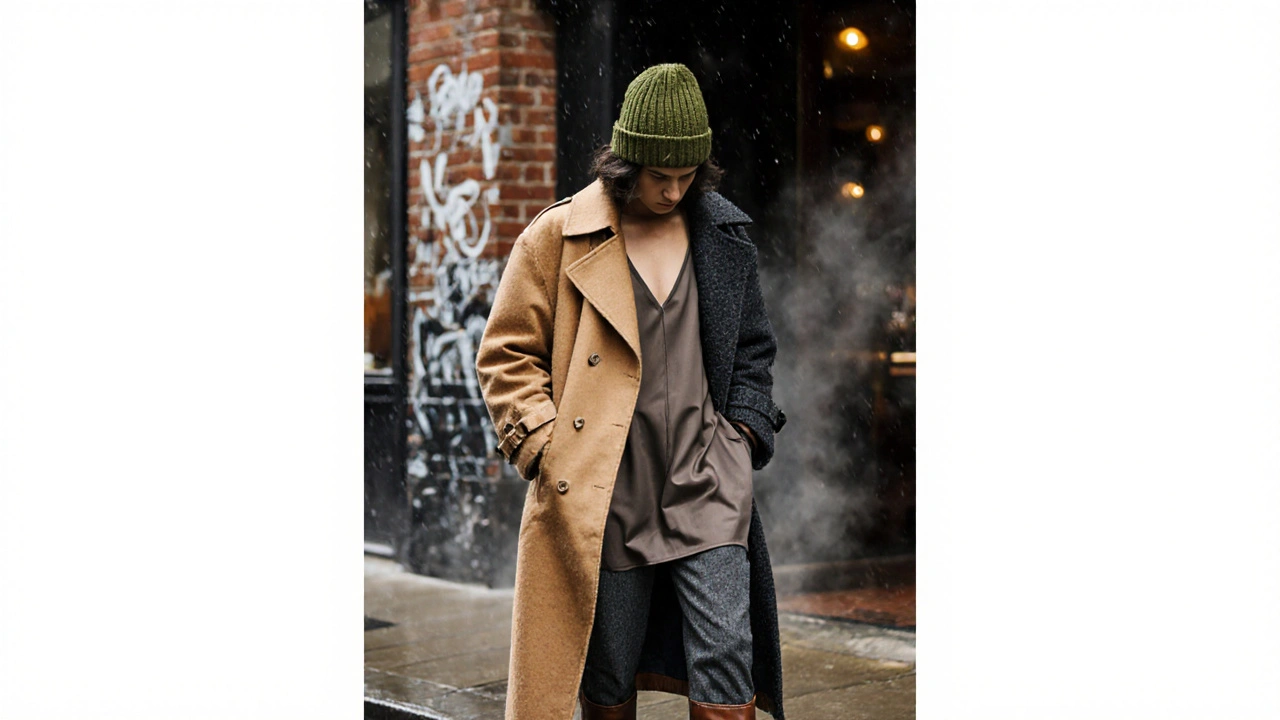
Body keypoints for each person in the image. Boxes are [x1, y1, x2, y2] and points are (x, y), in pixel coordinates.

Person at [476, 63, 787, 720]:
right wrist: (545, 446)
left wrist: (743, 435)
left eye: (686, 176)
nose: (673, 191)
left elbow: (755, 349)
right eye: (658, 175)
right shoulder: (559, 236)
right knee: (608, 667)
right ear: (626, 162)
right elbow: (506, 352)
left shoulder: (724, 238)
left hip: (709, 483)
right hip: (606, 487)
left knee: (729, 659)